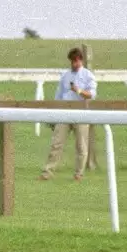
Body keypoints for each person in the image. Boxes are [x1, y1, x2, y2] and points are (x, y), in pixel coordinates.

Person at [40, 47, 97, 181]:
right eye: (72, 61)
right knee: (56, 143)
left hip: (81, 113)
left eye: (76, 61)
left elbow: (91, 95)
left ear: (81, 60)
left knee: (81, 146)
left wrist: (78, 91)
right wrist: (54, 113)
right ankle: (47, 172)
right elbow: (59, 95)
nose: (74, 64)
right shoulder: (65, 76)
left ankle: (79, 174)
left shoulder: (88, 76)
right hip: (65, 113)